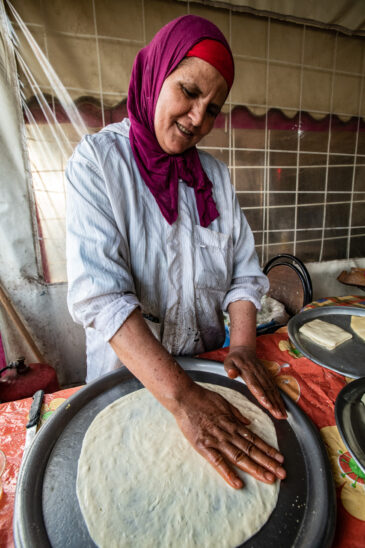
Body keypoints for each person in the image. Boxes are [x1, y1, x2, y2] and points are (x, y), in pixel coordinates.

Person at [66, 14, 287, 490]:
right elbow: (101, 298)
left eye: (212, 109)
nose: (197, 120)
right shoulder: (99, 164)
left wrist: (245, 346)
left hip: (205, 377)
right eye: (189, 92)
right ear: (154, 74)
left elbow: (245, 275)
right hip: (127, 384)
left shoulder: (215, 178)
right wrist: (182, 398)